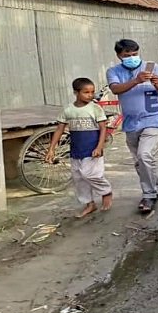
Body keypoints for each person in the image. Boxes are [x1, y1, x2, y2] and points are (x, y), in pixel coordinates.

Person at [106, 39, 158, 214]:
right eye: (127, 55)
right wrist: (136, 81)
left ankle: (148, 195)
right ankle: (156, 188)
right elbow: (116, 89)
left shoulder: (151, 66)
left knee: (144, 154)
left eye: (134, 54)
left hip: (152, 118)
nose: (132, 58)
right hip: (131, 122)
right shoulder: (114, 71)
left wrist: (157, 83)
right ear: (119, 56)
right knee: (140, 161)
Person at [46, 77, 112, 218]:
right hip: (76, 150)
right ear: (76, 93)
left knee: (90, 174)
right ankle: (89, 204)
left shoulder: (95, 108)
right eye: (86, 92)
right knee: (78, 178)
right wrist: (52, 148)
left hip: (92, 149)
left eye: (92, 92)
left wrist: (100, 147)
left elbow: (103, 129)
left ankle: (106, 191)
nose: (90, 95)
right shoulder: (68, 109)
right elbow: (59, 129)